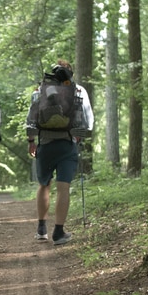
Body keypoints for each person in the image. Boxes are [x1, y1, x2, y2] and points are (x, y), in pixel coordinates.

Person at [26, 59, 94, 245]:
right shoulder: (78, 90)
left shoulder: (40, 90)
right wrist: (79, 135)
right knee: (63, 188)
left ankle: (41, 229)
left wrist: (31, 141)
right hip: (67, 144)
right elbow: (88, 121)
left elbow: (31, 119)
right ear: (70, 74)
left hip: (45, 144)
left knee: (44, 184)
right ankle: (58, 232)